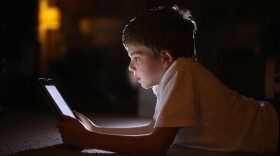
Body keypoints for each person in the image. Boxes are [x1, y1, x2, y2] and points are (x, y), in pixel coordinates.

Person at [56, 5, 279, 155]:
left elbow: (157, 145)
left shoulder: (182, 72)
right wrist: (95, 130)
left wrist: (88, 141)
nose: (131, 66)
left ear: (165, 58)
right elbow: (155, 129)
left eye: (135, 57)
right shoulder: (171, 77)